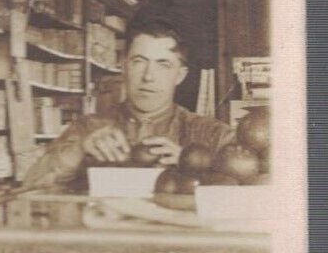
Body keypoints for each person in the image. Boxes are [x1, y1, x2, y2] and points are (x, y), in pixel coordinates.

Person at [23, 15, 233, 191]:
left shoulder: (213, 134)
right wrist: (79, 149)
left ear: (180, 75)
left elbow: (246, 201)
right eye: (139, 62)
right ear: (123, 67)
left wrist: (193, 166)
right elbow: (30, 188)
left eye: (163, 65)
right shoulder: (87, 128)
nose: (148, 76)